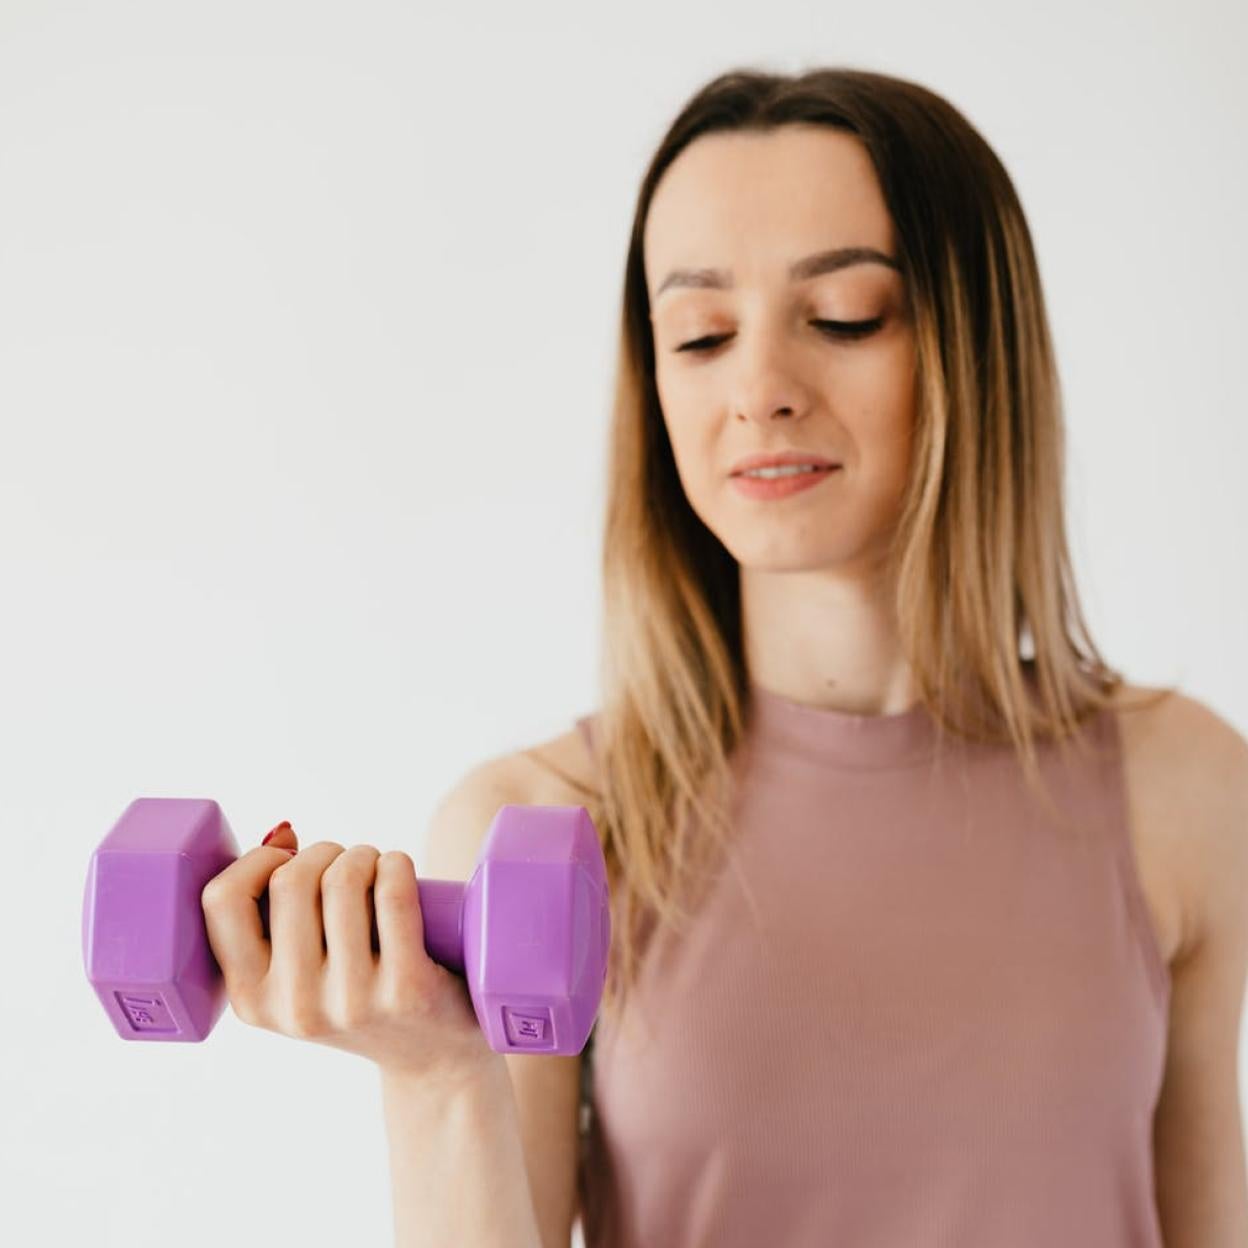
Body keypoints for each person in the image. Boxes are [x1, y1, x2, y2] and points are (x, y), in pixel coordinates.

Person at [204, 65, 1248, 1248]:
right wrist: (438, 1079)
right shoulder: (544, 824)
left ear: (977, 343)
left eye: (845, 316)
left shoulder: (1187, 790)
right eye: (699, 335)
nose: (758, 391)